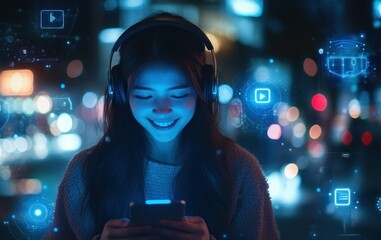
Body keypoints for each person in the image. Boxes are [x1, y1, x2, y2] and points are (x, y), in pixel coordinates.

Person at [45, 11, 280, 240]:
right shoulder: (85, 172)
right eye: (145, 96)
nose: (162, 109)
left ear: (204, 91)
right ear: (121, 93)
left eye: (178, 95)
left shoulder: (240, 170)